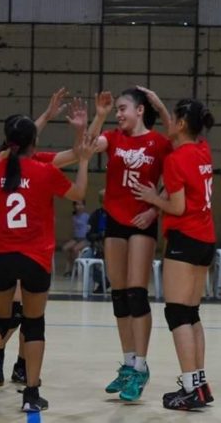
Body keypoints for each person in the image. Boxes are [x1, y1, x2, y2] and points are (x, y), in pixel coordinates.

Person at [0, 114, 96, 412]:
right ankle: (31, 394)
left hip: (1, 257)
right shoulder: (42, 170)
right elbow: (78, 193)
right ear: (34, 143)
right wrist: (85, 160)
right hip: (35, 258)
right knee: (34, 325)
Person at [89, 86, 172, 402]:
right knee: (119, 295)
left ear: (140, 110)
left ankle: (141, 365)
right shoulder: (112, 137)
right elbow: (86, 146)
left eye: (123, 108)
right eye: (117, 110)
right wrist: (99, 116)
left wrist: (154, 209)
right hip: (115, 218)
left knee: (137, 294)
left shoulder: (157, 142)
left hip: (142, 220)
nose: (119, 114)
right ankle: (127, 363)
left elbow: (174, 179)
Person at [132, 98, 215, 410]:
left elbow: (177, 207)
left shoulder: (177, 159)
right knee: (191, 314)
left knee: (177, 313)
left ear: (181, 124)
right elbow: (185, 131)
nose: (167, 123)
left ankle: (192, 388)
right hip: (205, 238)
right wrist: (160, 105)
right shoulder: (203, 149)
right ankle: (200, 384)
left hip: (184, 238)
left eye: (172, 118)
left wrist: (154, 198)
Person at [87, 189, 109, 293]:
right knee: (86, 258)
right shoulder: (95, 215)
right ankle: (104, 281)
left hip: (112, 246)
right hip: (97, 246)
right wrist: (99, 236)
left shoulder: (114, 215)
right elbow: (88, 234)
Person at [61, 200, 90, 276]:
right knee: (65, 248)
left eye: (81, 205)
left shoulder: (87, 216)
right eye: (77, 205)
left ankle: (76, 268)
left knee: (75, 249)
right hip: (76, 238)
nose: (79, 207)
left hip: (84, 239)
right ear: (74, 206)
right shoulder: (73, 217)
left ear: (84, 206)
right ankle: (69, 265)